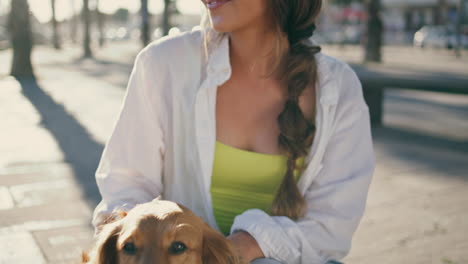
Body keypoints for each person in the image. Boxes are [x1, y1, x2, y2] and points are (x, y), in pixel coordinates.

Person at [92, 0, 375, 263]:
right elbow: (124, 191)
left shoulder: (337, 90)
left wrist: (245, 246)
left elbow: (333, 225)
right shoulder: (162, 64)